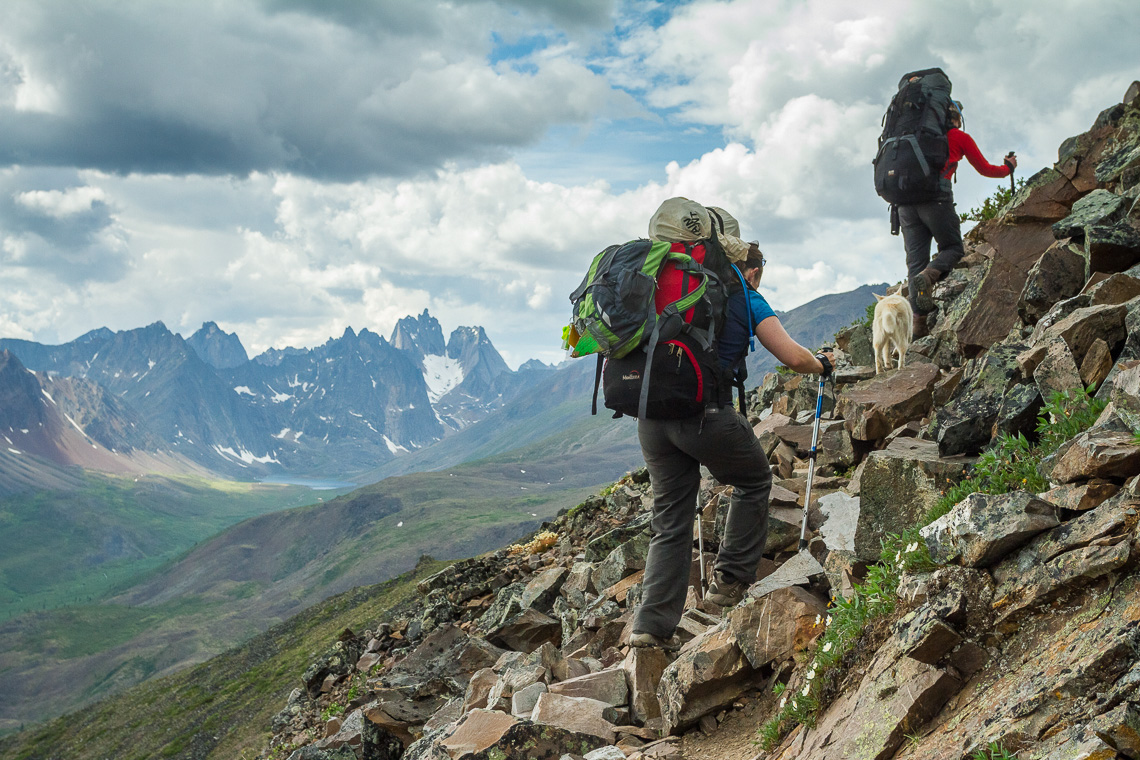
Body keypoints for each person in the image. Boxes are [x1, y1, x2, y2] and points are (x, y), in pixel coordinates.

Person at [630, 200, 833, 650]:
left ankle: (649, 626)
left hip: (650, 419)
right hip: (706, 416)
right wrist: (823, 364)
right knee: (754, 480)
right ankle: (728, 586)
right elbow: (792, 356)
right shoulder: (739, 287)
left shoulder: (653, 281)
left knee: (670, 518)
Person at [901, 99, 1016, 337]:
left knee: (915, 263)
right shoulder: (958, 137)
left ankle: (918, 327)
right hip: (936, 201)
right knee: (953, 248)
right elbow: (985, 169)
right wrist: (1009, 168)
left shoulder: (911, 137)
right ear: (956, 118)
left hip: (904, 205)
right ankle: (928, 276)